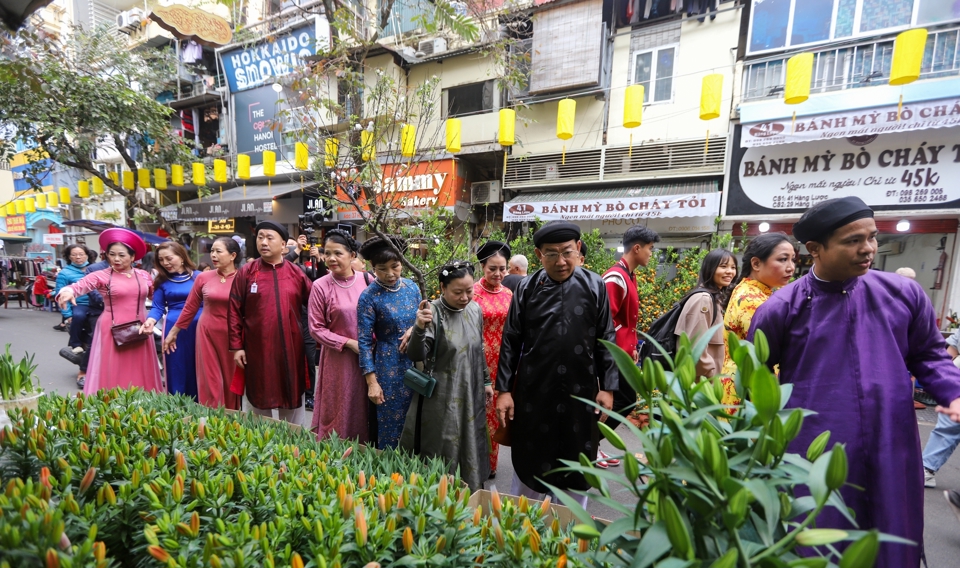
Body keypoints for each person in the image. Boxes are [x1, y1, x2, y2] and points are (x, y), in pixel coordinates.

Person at [748, 196, 960, 568]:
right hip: (815, 449)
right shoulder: (781, 308)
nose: (868, 250)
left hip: (892, 440)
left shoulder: (903, 294)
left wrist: (953, 392)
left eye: (872, 237)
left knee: (892, 535)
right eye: (853, 241)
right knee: (820, 541)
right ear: (815, 249)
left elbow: (928, 354)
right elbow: (756, 376)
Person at [495, 220, 618, 506]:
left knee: (578, 463)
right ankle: (523, 529)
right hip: (534, 392)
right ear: (539, 255)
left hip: (582, 392)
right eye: (551, 254)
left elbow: (606, 338)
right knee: (531, 466)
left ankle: (572, 531)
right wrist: (504, 391)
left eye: (567, 252)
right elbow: (511, 340)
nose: (560, 261)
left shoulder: (595, 284)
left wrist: (608, 387)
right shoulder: (526, 288)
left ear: (577, 249)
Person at [401, 261, 492, 490]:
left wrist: (487, 381)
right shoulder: (433, 312)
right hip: (442, 396)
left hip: (471, 390)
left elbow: (478, 349)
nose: (465, 297)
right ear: (443, 287)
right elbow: (416, 354)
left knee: (471, 440)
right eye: (458, 292)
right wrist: (419, 328)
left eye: (469, 291)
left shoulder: (475, 310)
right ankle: (441, 495)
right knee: (445, 445)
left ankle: (470, 492)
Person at [56, 228, 163, 395]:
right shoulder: (100, 276)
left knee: (139, 366)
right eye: (112, 254)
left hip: (140, 327)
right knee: (113, 367)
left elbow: (157, 297)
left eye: (122, 255)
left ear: (133, 257)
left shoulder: (143, 275)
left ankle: (143, 405)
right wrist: (66, 292)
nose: (116, 259)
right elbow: (78, 286)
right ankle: (112, 405)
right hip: (111, 327)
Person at [228, 221, 312, 424]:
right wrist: (237, 347)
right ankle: (260, 446)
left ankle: (293, 446)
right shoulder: (247, 272)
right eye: (260, 237)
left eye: (269, 238)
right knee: (258, 401)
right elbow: (234, 311)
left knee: (291, 400)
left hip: (291, 348)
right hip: (258, 349)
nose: (263, 242)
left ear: (284, 245)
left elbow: (315, 303)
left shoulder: (296, 273)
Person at [357, 235, 420, 449]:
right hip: (387, 365)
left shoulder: (412, 288)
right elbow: (364, 342)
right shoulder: (369, 296)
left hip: (416, 362)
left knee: (417, 420)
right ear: (372, 267)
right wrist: (372, 383)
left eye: (395, 266)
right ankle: (390, 476)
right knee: (391, 424)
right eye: (382, 268)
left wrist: (415, 328)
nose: (390, 274)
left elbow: (425, 318)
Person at [164, 237, 242, 409]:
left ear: (233, 255)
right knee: (210, 380)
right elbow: (190, 308)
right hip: (206, 332)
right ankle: (211, 420)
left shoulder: (243, 278)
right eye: (212, 251)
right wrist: (173, 333)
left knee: (231, 381)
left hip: (233, 336)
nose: (213, 255)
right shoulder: (203, 278)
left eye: (218, 251)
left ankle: (232, 422)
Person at [307, 229, 370, 442]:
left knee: (365, 407)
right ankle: (334, 458)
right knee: (339, 408)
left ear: (353, 255)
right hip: (338, 359)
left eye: (338, 253)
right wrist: (349, 343)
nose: (331, 258)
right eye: (327, 253)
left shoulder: (368, 280)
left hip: (370, 357)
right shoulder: (320, 286)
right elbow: (316, 328)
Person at [602, 225, 660, 451]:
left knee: (624, 401)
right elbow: (606, 321)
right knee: (624, 401)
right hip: (614, 355)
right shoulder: (616, 277)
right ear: (637, 248)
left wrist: (632, 345)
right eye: (650, 249)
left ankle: (589, 442)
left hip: (623, 354)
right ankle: (588, 441)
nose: (651, 254)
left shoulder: (628, 275)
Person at [721, 233, 796, 375]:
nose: (791, 267)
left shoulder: (753, 291)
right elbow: (762, 354)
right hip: (750, 387)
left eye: (792, 259)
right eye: (783, 259)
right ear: (756, 263)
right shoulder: (751, 299)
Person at [472, 240, 513, 478]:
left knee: (495, 414)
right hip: (477, 360)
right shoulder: (473, 293)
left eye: (502, 268)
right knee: (476, 411)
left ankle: (491, 463)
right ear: (482, 267)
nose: (498, 274)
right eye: (492, 269)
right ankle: (473, 460)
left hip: (502, 361)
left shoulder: (509, 293)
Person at [142, 242, 200, 399]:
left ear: (181, 257)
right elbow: (157, 307)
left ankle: (205, 407)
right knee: (177, 367)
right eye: (161, 260)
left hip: (200, 328)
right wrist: (150, 321)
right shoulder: (161, 281)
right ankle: (178, 407)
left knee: (200, 367)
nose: (165, 263)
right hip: (173, 330)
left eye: (169, 258)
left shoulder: (199, 277)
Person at [675, 249, 737, 379]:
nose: (730, 272)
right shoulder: (703, 299)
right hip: (702, 384)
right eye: (723, 266)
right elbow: (695, 347)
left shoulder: (715, 298)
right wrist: (710, 375)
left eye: (733, 267)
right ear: (710, 268)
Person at [55, 244, 95, 387]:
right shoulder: (65, 273)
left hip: (97, 304)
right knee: (78, 317)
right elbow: (60, 294)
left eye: (81, 254)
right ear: (69, 257)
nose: (78, 257)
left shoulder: (95, 269)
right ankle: (75, 343)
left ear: (87, 255)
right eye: (74, 255)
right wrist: (67, 315)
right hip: (78, 304)